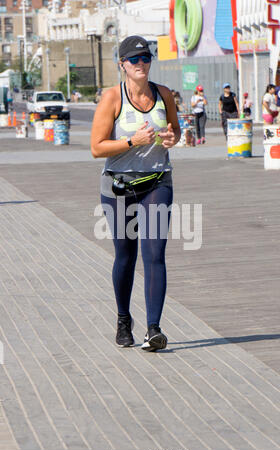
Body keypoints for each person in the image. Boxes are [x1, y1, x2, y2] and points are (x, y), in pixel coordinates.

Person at [91, 35, 180, 351]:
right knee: (125, 255)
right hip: (119, 187)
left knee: (154, 254)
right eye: (134, 59)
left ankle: (154, 328)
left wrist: (170, 138)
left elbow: (175, 131)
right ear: (122, 65)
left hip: (157, 182)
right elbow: (96, 148)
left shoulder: (164, 94)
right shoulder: (112, 98)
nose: (141, 64)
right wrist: (132, 142)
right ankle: (123, 319)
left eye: (145, 58)